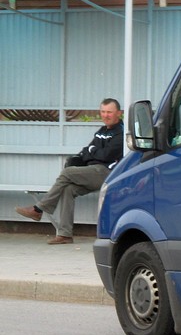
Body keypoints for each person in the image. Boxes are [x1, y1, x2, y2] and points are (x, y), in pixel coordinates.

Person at [15, 98, 124, 245]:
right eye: (103, 112)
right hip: (92, 171)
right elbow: (86, 152)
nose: (106, 115)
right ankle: (65, 235)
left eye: (109, 112)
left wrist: (92, 151)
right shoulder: (101, 131)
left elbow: (106, 155)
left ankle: (39, 209)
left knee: (67, 173)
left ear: (118, 113)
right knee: (68, 189)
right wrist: (92, 151)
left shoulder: (121, 132)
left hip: (107, 174)